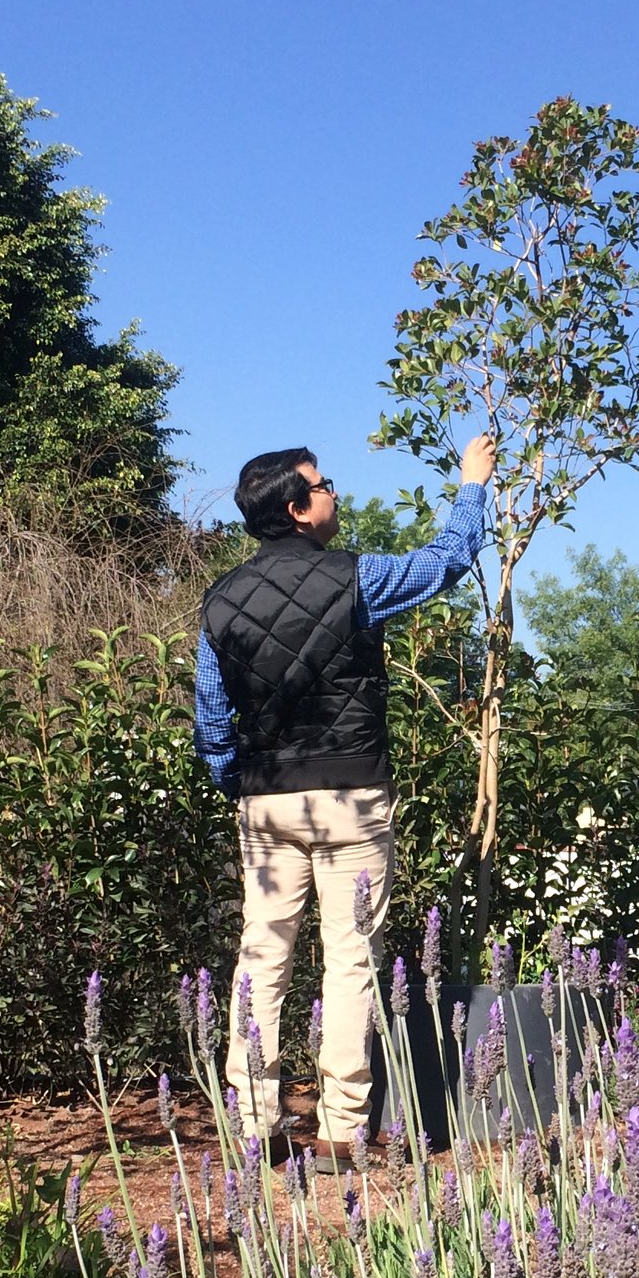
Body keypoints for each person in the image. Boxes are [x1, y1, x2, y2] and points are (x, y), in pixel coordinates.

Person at [194, 433, 497, 1154]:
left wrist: (238, 781)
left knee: (262, 953)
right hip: (352, 795)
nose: (334, 492)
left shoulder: (219, 600)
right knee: (352, 955)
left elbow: (211, 714)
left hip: (266, 800)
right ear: (298, 509)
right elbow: (445, 561)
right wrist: (472, 484)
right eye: (322, 484)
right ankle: (339, 1128)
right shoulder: (356, 580)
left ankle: (253, 1123)